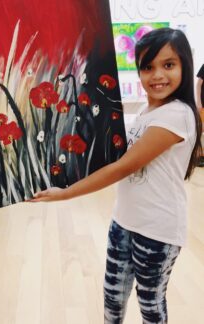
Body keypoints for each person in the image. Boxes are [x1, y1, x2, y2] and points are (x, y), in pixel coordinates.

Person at [31, 28, 203, 323]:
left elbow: (124, 166)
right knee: (112, 299)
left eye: (169, 65)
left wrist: (65, 193)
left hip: (157, 231)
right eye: (148, 67)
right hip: (124, 221)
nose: (157, 75)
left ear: (185, 66)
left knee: (150, 305)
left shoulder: (178, 114)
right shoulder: (150, 110)